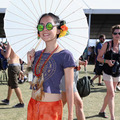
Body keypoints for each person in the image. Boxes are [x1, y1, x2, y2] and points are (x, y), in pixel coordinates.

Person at [27, 13, 75, 120]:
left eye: (49, 26)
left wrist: (70, 115)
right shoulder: (37, 54)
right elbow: (31, 81)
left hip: (51, 108)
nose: (45, 29)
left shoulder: (65, 55)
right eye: (41, 26)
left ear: (58, 30)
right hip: (33, 104)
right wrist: (29, 63)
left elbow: (69, 87)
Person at [97, 25, 120, 120]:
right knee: (112, 93)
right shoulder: (107, 44)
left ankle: (102, 111)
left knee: (110, 93)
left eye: (119, 33)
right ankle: (112, 117)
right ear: (112, 34)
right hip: (107, 72)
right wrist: (107, 61)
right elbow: (99, 58)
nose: (117, 35)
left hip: (117, 72)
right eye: (115, 33)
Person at [1, 42, 24, 108]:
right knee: (10, 84)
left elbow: (6, 56)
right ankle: (7, 99)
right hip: (17, 65)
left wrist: (2, 52)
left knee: (15, 85)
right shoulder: (18, 43)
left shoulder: (10, 43)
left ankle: (21, 103)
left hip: (12, 66)